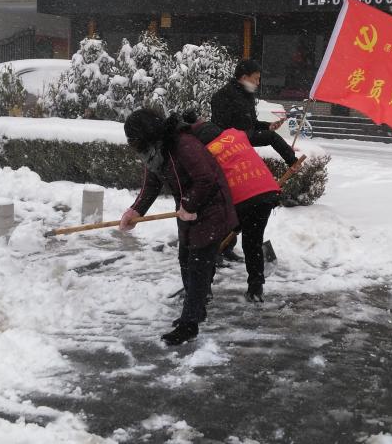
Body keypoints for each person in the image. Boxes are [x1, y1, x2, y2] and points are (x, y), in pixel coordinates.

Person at [120, 109, 237, 346]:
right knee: (185, 259)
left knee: (198, 266)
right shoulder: (155, 152)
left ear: (146, 134)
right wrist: (135, 211)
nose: (131, 144)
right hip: (188, 211)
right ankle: (196, 310)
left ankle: (189, 324)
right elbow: (151, 184)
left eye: (133, 138)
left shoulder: (184, 145)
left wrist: (188, 204)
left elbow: (206, 179)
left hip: (212, 210)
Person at [191, 118, 281, 303]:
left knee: (211, 242)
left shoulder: (204, 153)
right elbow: (271, 137)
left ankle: (203, 290)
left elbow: (207, 186)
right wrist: (291, 159)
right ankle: (255, 289)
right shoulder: (235, 136)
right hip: (266, 193)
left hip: (240, 199)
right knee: (253, 242)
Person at [211, 59, 302, 169]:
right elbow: (221, 128)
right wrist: (246, 135)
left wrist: (268, 126)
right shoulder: (223, 96)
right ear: (244, 78)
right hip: (229, 144)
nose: (258, 83)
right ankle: (293, 162)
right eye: (256, 79)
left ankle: (293, 162)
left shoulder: (246, 95)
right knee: (271, 137)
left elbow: (251, 123)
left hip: (243, 139)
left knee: (271, 135)